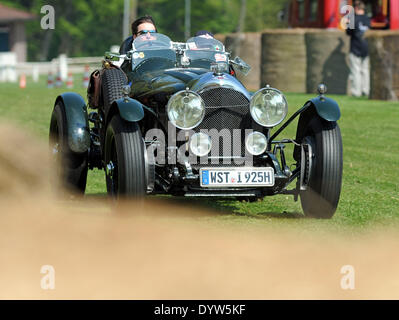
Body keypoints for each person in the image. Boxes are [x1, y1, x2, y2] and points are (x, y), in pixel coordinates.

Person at [346, 0, 371, 97]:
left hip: (355, 48)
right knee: (365, 70)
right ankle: (366, 90)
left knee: (356, 71)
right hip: (366, 48)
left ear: (356, 8)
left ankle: (357, 92)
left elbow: (348, 32)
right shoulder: (368, 19)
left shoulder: (353, 19)